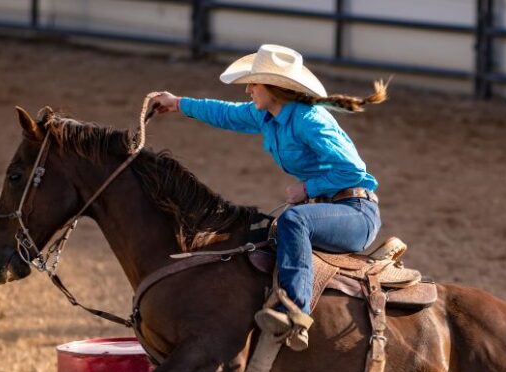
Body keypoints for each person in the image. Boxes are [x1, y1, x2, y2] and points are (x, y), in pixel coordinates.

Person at [150, 44, 387, 351]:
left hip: (357, 213)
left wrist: (308, 189)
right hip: (332, 210)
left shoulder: (310, 121)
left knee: (293, 221)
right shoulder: (267, 116)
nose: (248, 89)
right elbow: (224, 113)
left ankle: (295, 312)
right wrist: (177, 103)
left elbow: (354, 171)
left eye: (254, 82)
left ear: (275, 88)